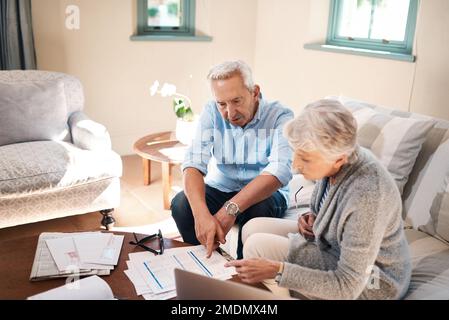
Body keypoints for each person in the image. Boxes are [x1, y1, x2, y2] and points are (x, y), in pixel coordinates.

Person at [226, 99, 412, 299]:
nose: (295, 165)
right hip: (334, 247)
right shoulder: (338, 161)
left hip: (373, 281)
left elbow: (347, 286)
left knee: (258, 246)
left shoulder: (368, 194)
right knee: (252, 228)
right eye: (296, 154)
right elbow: (334, 209)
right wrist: (312, 217)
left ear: (339, 159)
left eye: (305, 158)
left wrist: (279, 271)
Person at [171, 60, 294, 259]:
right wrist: (202, 215)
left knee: (259, 210)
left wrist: (229, 210)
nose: (230, 113)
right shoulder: (211, 112)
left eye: (236, 101)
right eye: (222, 104)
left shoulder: (281, 116)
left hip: (265, 196)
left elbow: (280, 171)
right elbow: (193, 163)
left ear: (254, 92)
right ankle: (206, 264)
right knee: (181, 204)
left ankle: (240, 275)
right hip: (221, 187)